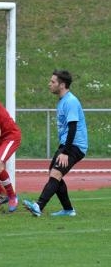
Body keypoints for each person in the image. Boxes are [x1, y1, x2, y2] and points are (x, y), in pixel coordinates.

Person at [23, 70, 88, 217]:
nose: (49, 84)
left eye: (53, 82)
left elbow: (73, 127)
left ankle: (38, 206)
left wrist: (66, 152)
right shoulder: (62, 101)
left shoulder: (70, 101)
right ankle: (68, 210)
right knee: (54, 174)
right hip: (67, 144)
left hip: (74, 145)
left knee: (56, 173)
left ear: (62, 85)